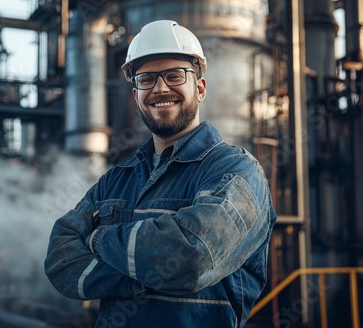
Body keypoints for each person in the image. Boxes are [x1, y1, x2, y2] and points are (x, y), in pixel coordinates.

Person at [44, 20, 277, 328]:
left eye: (174, 75)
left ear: (200, 88)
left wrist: (99, 239)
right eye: (147, 79)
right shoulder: (118, 178)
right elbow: (60, 260)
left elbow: (192, 256)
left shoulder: (234, 172)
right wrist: (146, 275)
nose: (160, 88)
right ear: (136, 94)